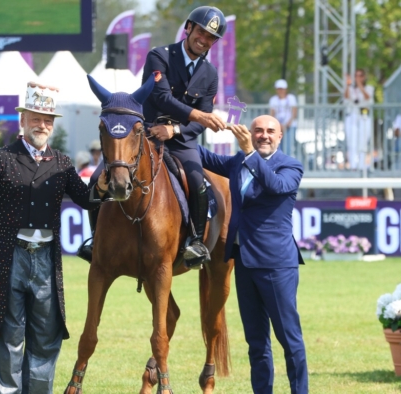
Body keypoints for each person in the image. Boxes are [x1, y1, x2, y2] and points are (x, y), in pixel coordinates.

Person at [0, 82, 102, 394]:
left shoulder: (63, 163)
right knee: (7, 335)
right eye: (36, 118)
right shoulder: (0, 159)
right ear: (22, 120)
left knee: (45, 334)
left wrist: (111, 175)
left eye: (48, 120)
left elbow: (89, 199)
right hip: (7, 257)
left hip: (46, 259)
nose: (43, 125)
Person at [79, 6, 229, 268]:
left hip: (182, 141)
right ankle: (96, 240)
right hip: (146, 135)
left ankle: (194, 241)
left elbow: (200, 124)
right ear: (189, 28)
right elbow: (160, 97)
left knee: (198, 182)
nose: (204, 40)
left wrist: (176, 130)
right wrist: (198, 115)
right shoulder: (159, 56)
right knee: (96, 176)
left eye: (211, 38)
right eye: (202, 32)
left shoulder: (211, 74)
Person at [198, 115, 307, 394]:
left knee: (289, 339)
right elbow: (201, 155)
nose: (264, 135)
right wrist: (178, 126)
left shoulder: (290, 166)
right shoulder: (237, 162)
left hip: (276, 266)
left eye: (271, 131)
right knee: (256, 343)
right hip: (243, 262)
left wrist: (248, 152)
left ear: (280, 136)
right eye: (258, 130)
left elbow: (275, 186)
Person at [344, 69, 375, 170]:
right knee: (352, 142)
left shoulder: (369, 88)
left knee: (363, 142)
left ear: (364, 77)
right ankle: (353, 166)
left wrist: (359, 85)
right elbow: (346, 97)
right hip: (352, 116)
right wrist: (348, 85)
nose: (358, 78)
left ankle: (362, 166)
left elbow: (367, 97)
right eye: (356, 76)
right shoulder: (351, 89)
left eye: (360, 75)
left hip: (364, 116)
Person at [269, 79, 297, 153]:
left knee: (288, 146)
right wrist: (278, 125)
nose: (280, 91)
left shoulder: (291, 98)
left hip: (290, 125)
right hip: (278, 126)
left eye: (282, 89)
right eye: (279, 89)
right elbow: (272, 113)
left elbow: (294, 111)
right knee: (277, 146)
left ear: (285, 89)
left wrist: (288, 123)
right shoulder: (273, 99)